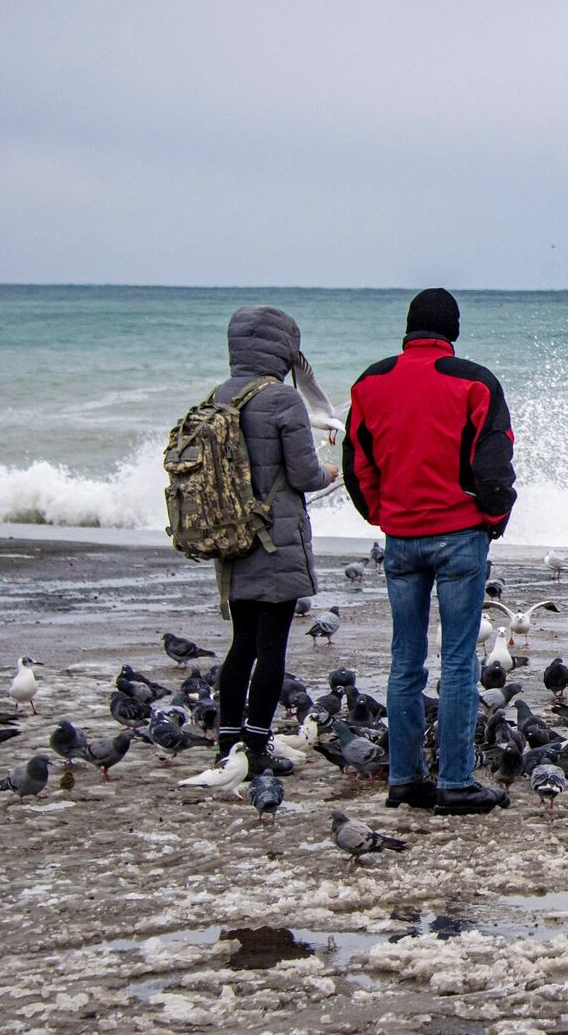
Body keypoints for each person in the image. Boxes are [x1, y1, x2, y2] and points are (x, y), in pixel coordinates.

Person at [343, 288, 516, 815]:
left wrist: (382, 513)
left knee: (405, 659)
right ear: (453, 331)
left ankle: (404, 779)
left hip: (400, 538)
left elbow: (357, 460)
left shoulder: (370, 382)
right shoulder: (475, 380)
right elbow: (494, 463)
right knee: (460, 660)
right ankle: (456, 781)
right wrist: (493, 520)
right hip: (460, 534)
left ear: (409, 328)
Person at [213, 307, 338, 772]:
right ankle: (259, 744)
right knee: (272, 648)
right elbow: (305, 475)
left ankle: (228, 747)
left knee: (240, 643)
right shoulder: (283, 400)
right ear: (284, 348)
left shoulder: (218, 396)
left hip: (232, 539)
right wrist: (329, 472)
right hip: (276, 540)